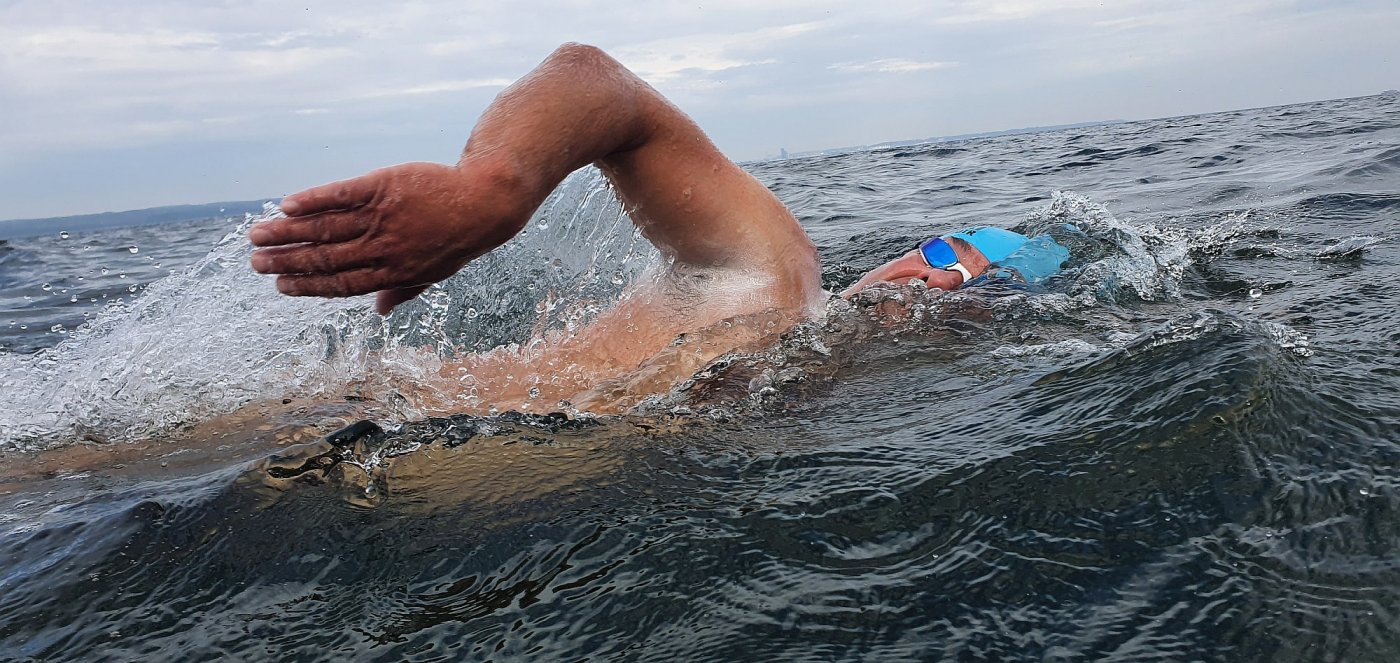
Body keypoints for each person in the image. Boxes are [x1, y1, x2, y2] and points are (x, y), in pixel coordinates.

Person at [250, 43, 1065, 413]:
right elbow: (602, 88)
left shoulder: (813, 411)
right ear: (899, 255)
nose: (928, 280)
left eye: (966, 285)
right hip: (330, 431)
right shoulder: (774, 273)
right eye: (936, 253)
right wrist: (490, 188)